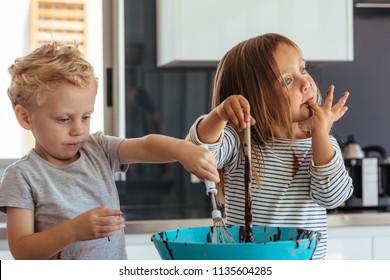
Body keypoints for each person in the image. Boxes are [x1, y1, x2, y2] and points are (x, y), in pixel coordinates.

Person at [0, 42, 219, 260]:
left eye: (86, 117)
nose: (78, 129)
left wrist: (183, 150)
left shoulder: (98, 149)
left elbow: (144, 145)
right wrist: (72, 231)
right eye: (64, 119)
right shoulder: (22, 176)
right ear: (25, 117)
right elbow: (22, 251)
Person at [186, 33, 353, 260]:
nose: (306, 83)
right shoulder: (240, 142)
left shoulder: (320, 143)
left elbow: (333, 197)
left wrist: (321, 134)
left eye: (303, 70)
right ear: (254, 98)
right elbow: (199, 152)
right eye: (287, 80)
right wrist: (219, 115)